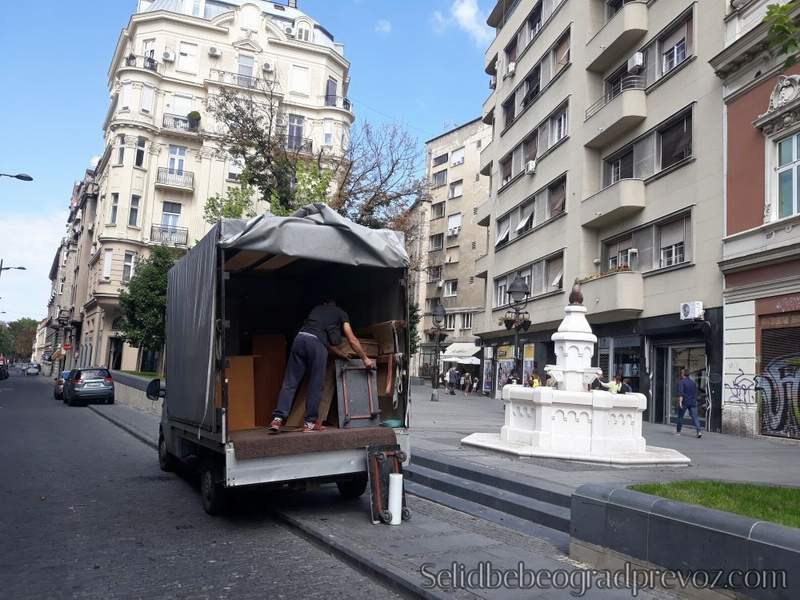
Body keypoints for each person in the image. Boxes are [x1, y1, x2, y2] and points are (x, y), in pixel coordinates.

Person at [270, 300, 374, 432]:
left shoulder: (317, 309)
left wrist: (339, 353)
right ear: (335, 304)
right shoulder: (341, 313)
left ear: (325, 303)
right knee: (316, 384)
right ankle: (310, 423)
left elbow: (317, 334)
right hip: (316, 345)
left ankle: (277, 419)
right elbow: (351, 339)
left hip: (300, 340)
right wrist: (365, 359)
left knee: (290, 382)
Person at [676, 368, 702, 438]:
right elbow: (695, 392)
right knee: (695, 417)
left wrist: (680, 402)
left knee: (680, 417)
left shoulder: (681, 382)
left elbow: (681, 393)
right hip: (693, 401)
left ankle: (678, 432)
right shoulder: (693, 382)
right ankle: (699, 431)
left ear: (683, 374)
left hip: (685, 401)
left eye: (681, 373)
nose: (681, 374)